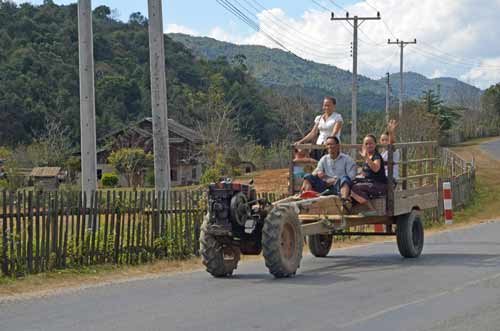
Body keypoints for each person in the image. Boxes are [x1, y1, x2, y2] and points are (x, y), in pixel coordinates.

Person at [301, 136, 356, 201]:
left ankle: (344, 200)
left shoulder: (347, 159)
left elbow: (352, 177)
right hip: (325, 185)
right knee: (308, 176)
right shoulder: (324, 159)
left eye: (332, 144)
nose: (330, 146)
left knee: (345, 179)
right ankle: (307, 199)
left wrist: (336, 180)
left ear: (338, 146)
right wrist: (318, 174)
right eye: (328, 144)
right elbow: (317, 171)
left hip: (339, 185)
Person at [351, 135, 388, 215]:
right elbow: (365, 173)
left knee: (355, 188)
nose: (368, 146)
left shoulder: (376, 156)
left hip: (379, 185)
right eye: (366, 144)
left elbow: (376, 169)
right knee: (350, 184)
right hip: (369, 184)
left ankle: (372, 209)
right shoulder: (367, 157)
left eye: (371, 143)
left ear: (375, 144)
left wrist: (366, 158)